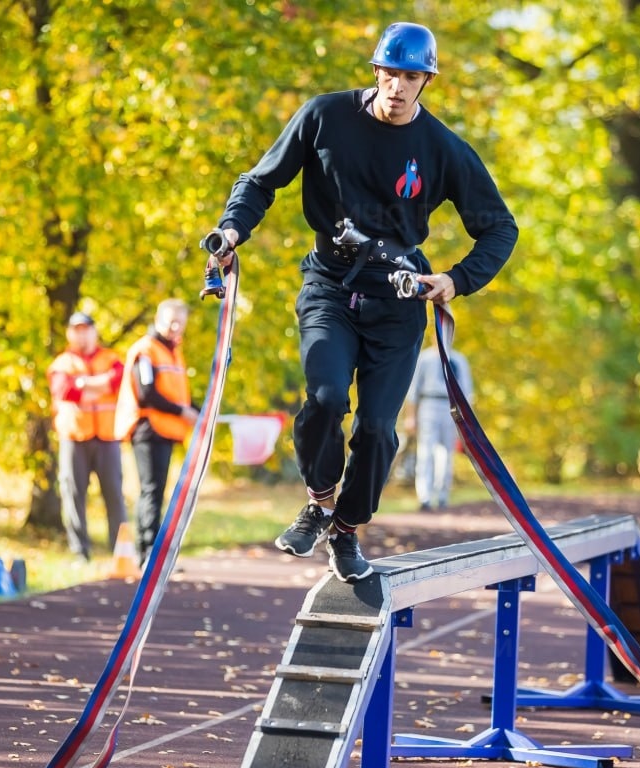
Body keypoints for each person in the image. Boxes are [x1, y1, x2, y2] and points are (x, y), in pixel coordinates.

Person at [207, 22, 517, 582]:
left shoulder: (443, 149)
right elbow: (260, 182)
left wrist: (456, 279)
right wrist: (232, 233)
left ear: (426, 82)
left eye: (411, 77)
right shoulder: (324, 117)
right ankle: (320, 501)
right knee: (325, 399)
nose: (399, 87)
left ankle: (346, 530)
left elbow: (499, 229)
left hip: (398, 301)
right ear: (375, 72)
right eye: (390, 74)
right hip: (329, 283)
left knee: (377, 428)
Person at [115, 299, 199, 562]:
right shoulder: (147, 350)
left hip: (167, 429)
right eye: (171, 321)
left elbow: (179, 395)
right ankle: (147, 550)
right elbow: (146, 393)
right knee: (151, 490)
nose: (176, 327)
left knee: (158, 490)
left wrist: (198, 410)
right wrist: (182, 412)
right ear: (159, 319)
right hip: (148, 429)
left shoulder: (173, 351)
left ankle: (154, 550)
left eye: (180, 323)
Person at [48, 311, 127, 561]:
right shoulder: (61, 363)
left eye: (86, 329)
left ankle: (120, 549)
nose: (82, 334)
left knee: (114, 494)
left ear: (94, 330)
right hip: (74, 437)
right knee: (73, 495)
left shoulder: (111, 358)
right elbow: (65, 391)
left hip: (107, 436)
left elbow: (119, 381)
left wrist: (84, 383)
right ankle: (80, 551)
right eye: (77, 329)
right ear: (70, 333)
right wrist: (98, 386)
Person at [404, 340, 474, 512]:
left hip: (450, 405)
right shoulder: (425, 358)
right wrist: (410, 416)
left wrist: (466, 420)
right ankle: (424, 496)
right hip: (429, 404)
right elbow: (413, 389)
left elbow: (467, 391)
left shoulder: (458, 359)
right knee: (425, 451)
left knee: (446, 452)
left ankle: (442, 495)